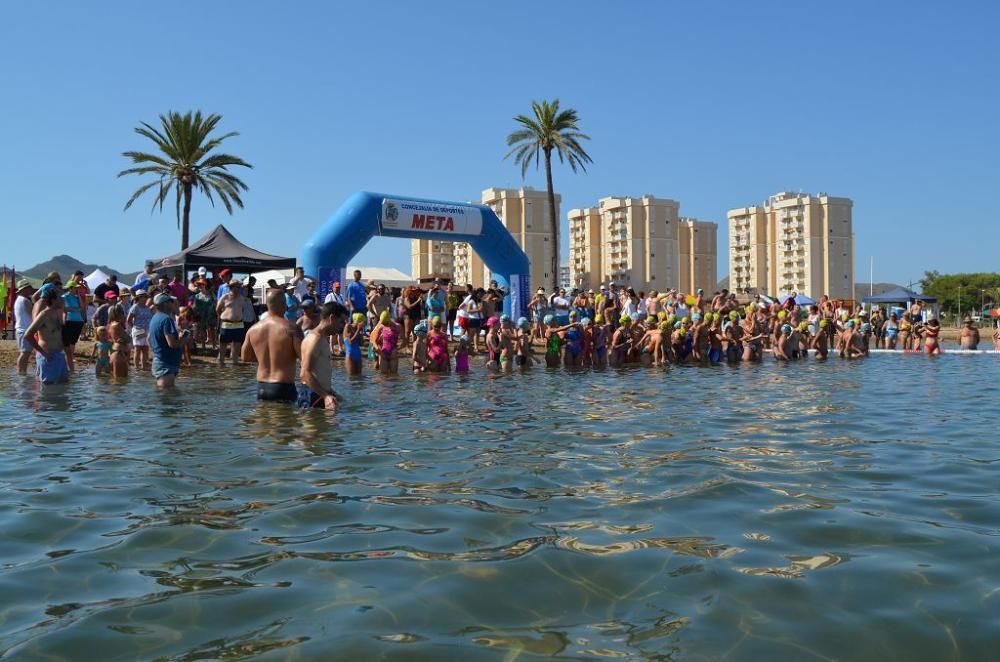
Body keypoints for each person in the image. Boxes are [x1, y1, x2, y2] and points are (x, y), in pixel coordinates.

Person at [241, 290, 302, 402]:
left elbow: (245, 358)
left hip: (262, 387)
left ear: (268, 305)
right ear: (284, 305)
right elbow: (303, 356)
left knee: (263, 419)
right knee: (285, 418)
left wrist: (263, 358)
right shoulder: (292, 328)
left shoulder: (253, 329)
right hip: (283, 386)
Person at [298, 301, 347, 410]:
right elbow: (304, 373)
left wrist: (330, 393)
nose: (342, 326)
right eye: (341, 322)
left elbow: (319, 372)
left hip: (319, 393)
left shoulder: (322, 338)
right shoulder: (315, 339)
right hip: (312, 395)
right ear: (332, 318)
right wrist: (325, 396)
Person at [23, 284, 69, 384]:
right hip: (48, 355)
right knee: (48, 386)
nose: (62, 299)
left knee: (64, 384)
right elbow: (28, 334)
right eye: (59, 298)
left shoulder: (57, 313)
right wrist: (43, 353)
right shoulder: (44, 315)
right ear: (53, 300)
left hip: (59, 355)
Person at [216, 280, 246, 365]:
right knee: (223, 346)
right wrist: (224, 317)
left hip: (239, 324)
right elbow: (218, 309)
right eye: (237, 287)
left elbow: (242, 310)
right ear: (231, 287)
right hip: (226, 324)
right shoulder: (225, 297)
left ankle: (235, 365)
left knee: (237, 346)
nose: (239, 289)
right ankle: (221, 363)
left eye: (239, 287)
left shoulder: (241, 298)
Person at [126, 290, 154, 370]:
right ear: (139, 298)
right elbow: (129, 320)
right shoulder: (135, 307)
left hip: (147, 330)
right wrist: (134, 328)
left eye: (145, 297)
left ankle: (144, 367)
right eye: (143, 297)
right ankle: (137, 367)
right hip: (138, 330)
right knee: (137, 349)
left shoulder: (147, 307)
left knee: (145, 349)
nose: (145, 298)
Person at [13, 279, 35, 375]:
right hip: (24, 330)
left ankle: (22, 373)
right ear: (24, 289)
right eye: (29, 288)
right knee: (25, 353)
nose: (30, 289)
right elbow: (33, 314)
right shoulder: (25, 300)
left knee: (25, 353)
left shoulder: (19, 300)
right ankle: (21, 373)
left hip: (21, 329)